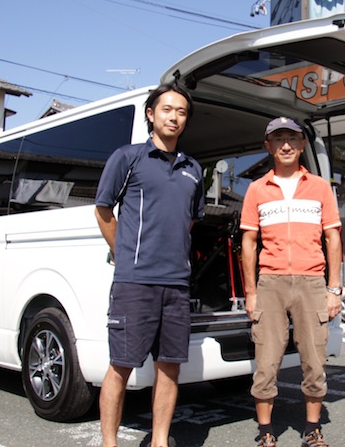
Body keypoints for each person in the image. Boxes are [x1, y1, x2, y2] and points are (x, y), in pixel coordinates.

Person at [94, 84, 204, 447]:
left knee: (169, 366)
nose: (174, 117)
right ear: (151, 114)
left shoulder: (193, 168)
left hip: (177, 284)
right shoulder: (128, 158)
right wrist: (124, 253)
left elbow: (190, 219)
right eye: (167, 109)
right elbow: (103, 210)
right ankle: (109, 443)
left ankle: (159, 441)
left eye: (182, 112)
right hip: (135, 283)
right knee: (121, 365)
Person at [240, 116, 343, 447]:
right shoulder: (257, 189)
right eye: (278, 139)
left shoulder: (320, 187)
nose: (286, 145)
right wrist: (251, 292)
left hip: (312, 282)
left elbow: (333, 238)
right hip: (270, 283)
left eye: (292, 138)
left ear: (302, 145)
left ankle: (312, 429)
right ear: (268, 146)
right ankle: (266, 433)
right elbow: (248, 244)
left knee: (314, 360)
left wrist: (334, 289)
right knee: (266, 361)